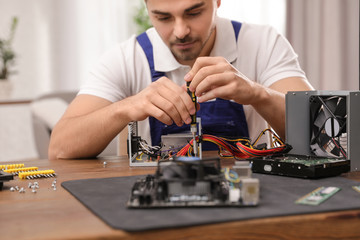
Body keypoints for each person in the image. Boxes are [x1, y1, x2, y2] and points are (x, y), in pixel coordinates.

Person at [48, 0, 313, 160]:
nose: (180, 31)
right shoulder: (126, 57)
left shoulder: (263, 42)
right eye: (163, 17)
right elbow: (60, 148)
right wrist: (126, 107)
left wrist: (257, 94)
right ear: (147, 8)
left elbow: (320, 134)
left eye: (193, 12)